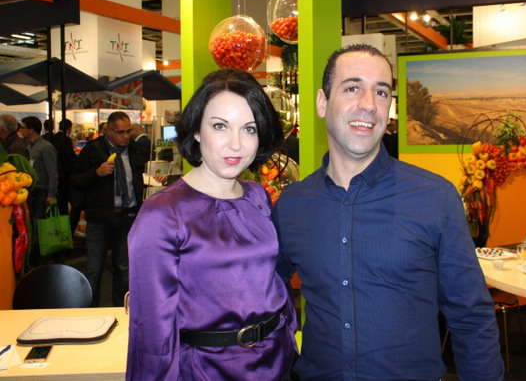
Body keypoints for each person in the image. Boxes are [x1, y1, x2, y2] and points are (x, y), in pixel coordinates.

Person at [273, 44, 504, 380]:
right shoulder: (292, 204)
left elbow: (471, 318)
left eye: (381, 92)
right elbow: (265, 296)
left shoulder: (435, 198)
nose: (369, 104)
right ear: (323, 103)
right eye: (352, 88)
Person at [126, 69, 297, 381]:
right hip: (209, 369)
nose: (236, 145)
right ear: (196, 131)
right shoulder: (163, 213)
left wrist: (289, 333)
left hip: (277, 360)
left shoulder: (257, 196)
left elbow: (271, 279)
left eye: (249, 129)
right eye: (220, 126)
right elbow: (150, 329)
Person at [70, 111, 146, 307]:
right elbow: (75, 180)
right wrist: (96, 173)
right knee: (94, 270)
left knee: (123, 269)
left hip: (128, 216)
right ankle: (90, 312)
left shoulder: (135, 150)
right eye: (120, 132)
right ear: (108, 130)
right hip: (100, 218)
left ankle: (121, 311)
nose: (125, 136)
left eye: (128, 131)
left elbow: (139, 181)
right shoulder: (93, 151)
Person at [21, 116, 59, 268]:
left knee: (39, 230)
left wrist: (52, 194)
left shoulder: (46, 147)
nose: (21, 130)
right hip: (32, 195)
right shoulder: (28, 147)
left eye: (23, 127)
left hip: (43, 194)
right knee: (33, 229)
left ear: (31, 130)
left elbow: (53, 173)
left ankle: (40, 262)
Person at [52, 118, 77, 216]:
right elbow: (70, 158)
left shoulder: (53, 138)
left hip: (55, 172)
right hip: (64, 174)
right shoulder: (66, 140)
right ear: (69, 128)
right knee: (63, 200)